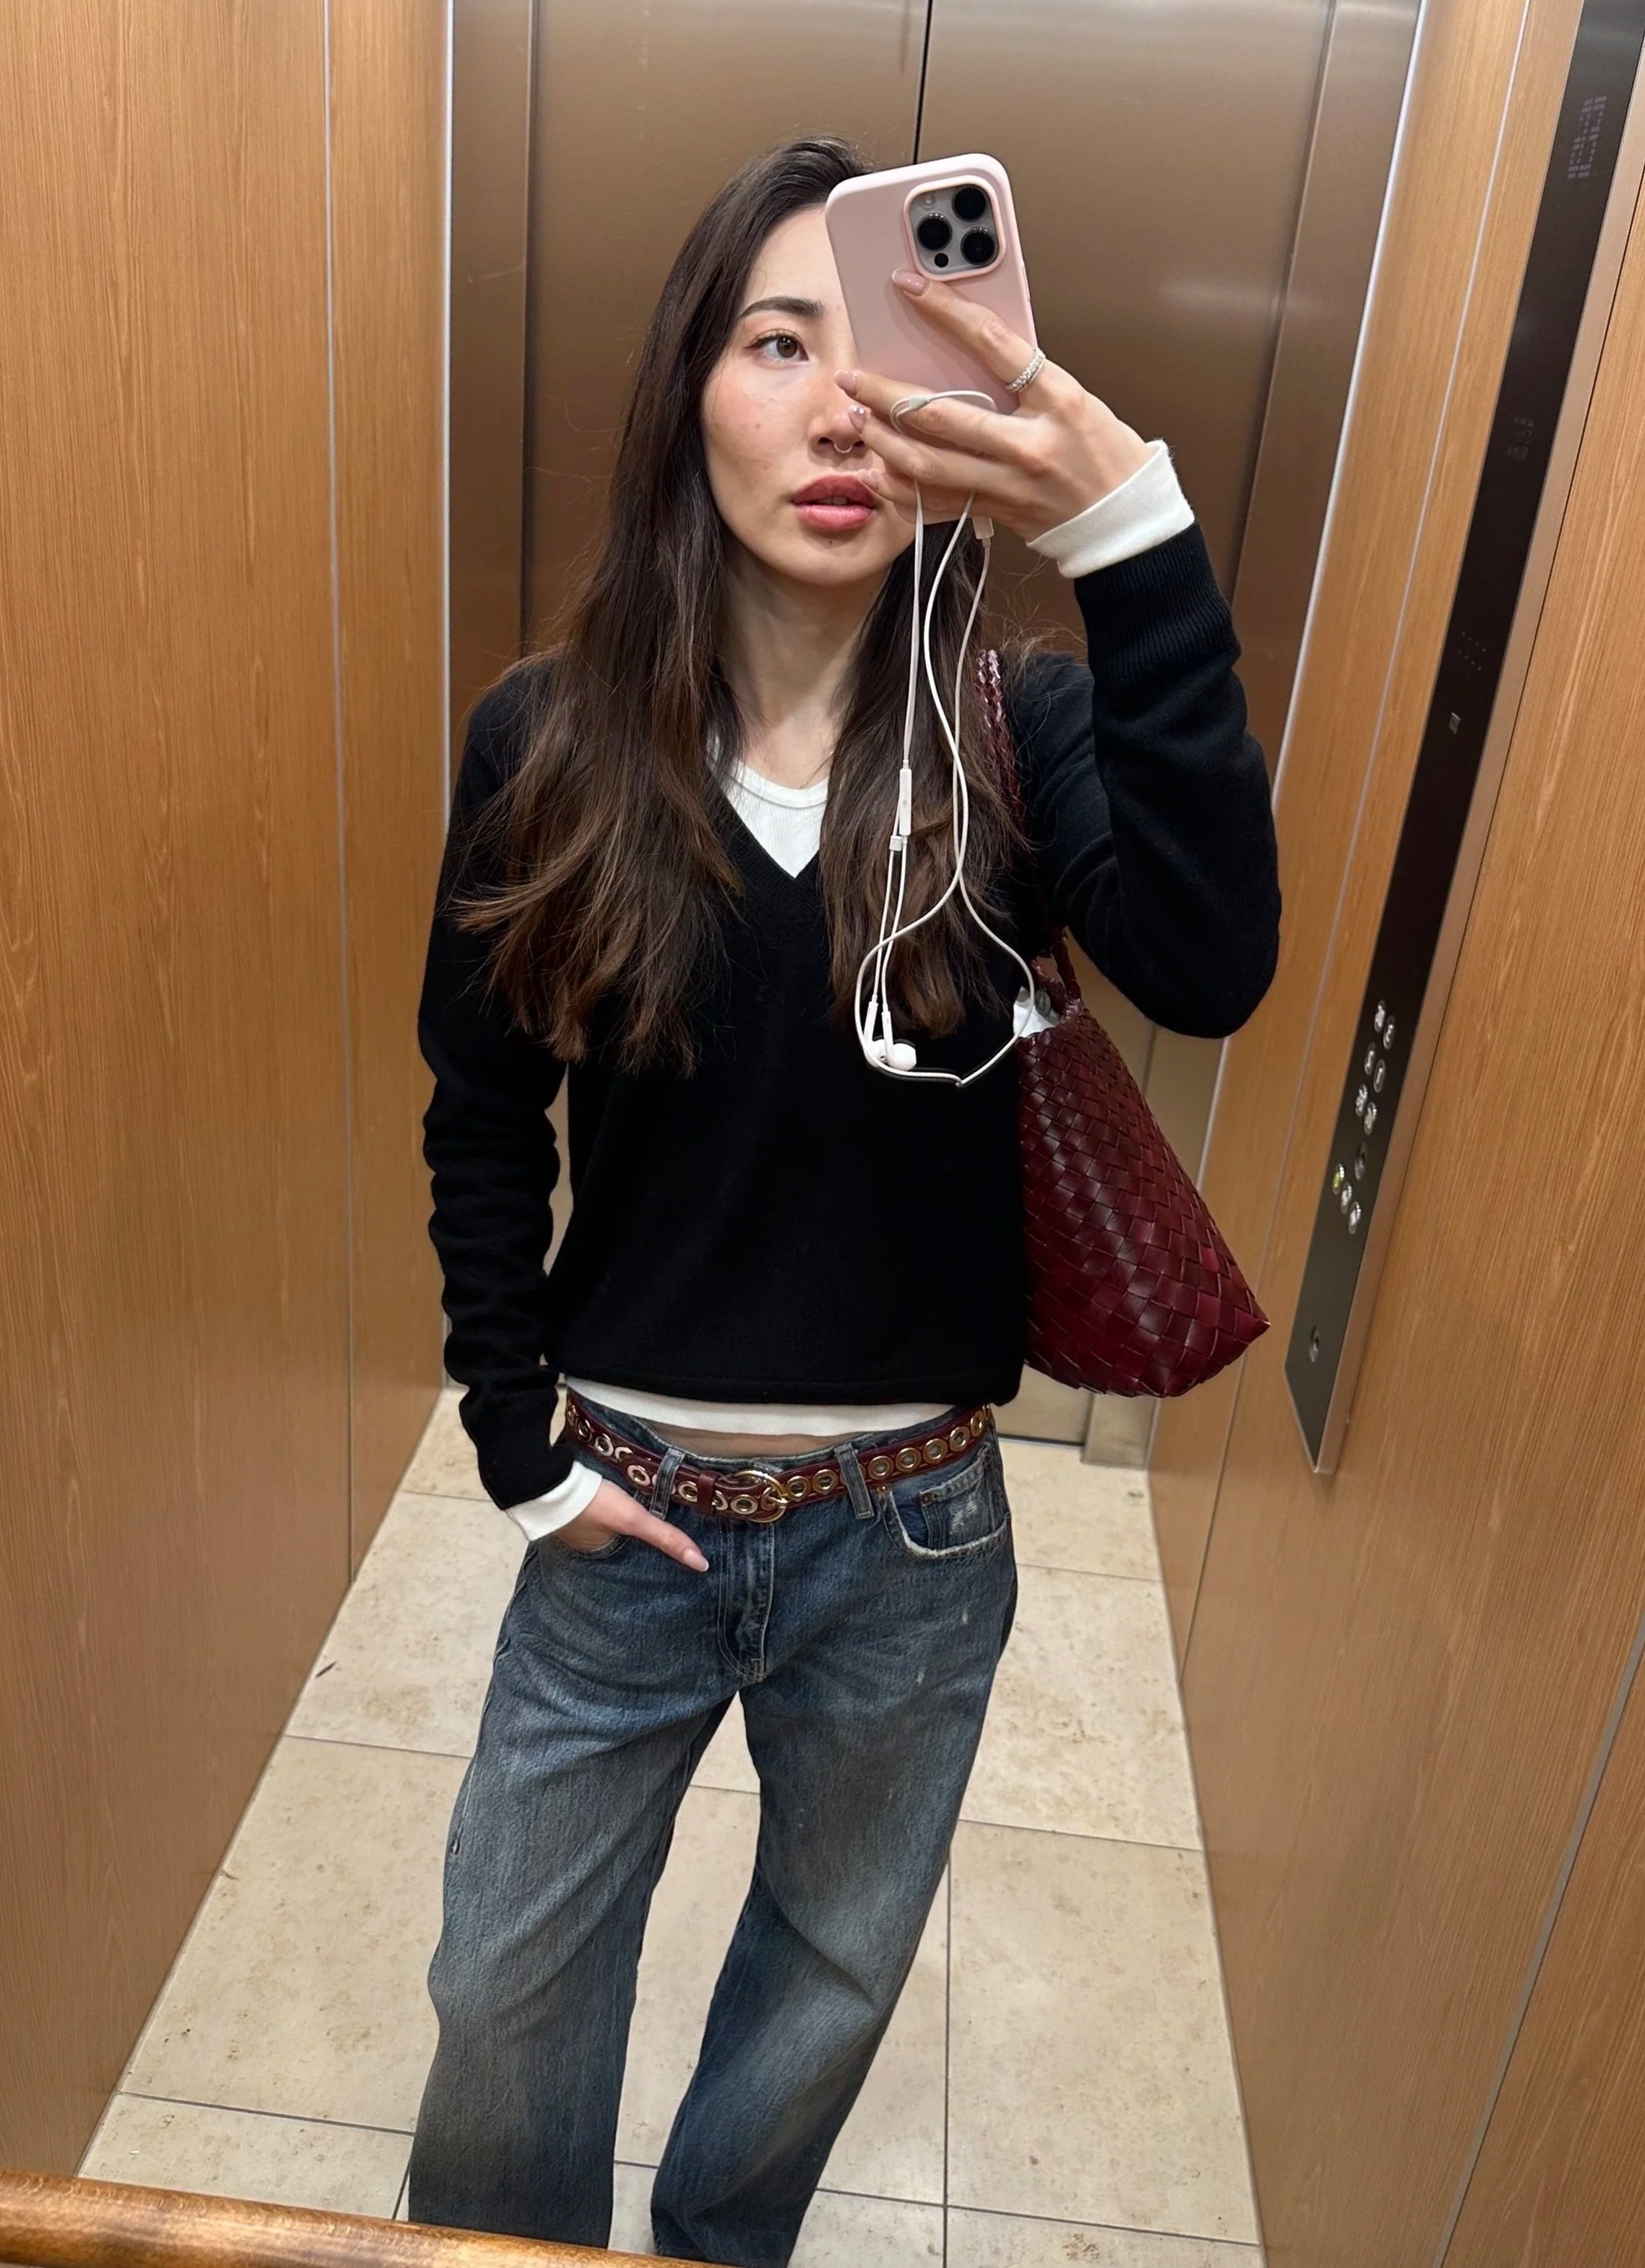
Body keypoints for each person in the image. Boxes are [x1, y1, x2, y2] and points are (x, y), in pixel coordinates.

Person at [405, 135, 1278, 2268]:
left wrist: (1127, 528)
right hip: (622, 1497)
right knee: (503, 1998)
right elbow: (478, 1108)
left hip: (912, 1531)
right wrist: (514, 1433)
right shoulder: (549, 742)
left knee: (823, 1987)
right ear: (685, 393)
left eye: (883, 351)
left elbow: (1215, 956)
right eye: (775, 342)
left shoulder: (1018, 736)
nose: (834, 411)